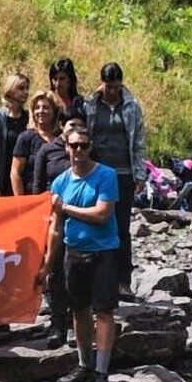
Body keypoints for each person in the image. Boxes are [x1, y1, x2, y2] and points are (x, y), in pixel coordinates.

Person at [36, 126, 119, 382]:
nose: (79, 151)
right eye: (74, 146)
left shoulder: (106, 175)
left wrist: (66, 208)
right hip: (74, 253)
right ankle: (84, 365)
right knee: (79, 310)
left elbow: (102, 214)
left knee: (104, 311)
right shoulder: (60, 182)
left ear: (90, 146)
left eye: (84, 145)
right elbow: (55, 227)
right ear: (67, 148)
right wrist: (47, 264)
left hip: (103, 252)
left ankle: (101, 372)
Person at [84, 62, 146, 297]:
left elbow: (138, 140)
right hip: (97, 172)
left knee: (121, 228)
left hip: (123, 174)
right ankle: (96, 279)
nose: (111, 92)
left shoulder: (131, 106)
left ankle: (123, 280)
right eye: (108, 87)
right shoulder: (91, 105)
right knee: (96, 222)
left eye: (115, 87)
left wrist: (140, 173)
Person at [33, 116, 86, 346]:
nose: (78, 148)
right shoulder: (47, 150)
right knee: (53, 269)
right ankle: (57, 324)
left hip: (81, 219)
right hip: (53, 215)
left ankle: (77, 325)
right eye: (71, 125)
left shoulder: (88, 152)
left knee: (76, 273)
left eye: (79, 126)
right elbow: (37, 185)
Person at [0, 73, 30, 196]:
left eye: (27, 88)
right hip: (2, 181)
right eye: (21, 88)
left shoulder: (29, 118)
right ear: (10, 90)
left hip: (25, 180)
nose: (26, 92)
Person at [10, 91, 61, 196]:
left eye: (46, 107)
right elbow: (15, 173)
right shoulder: (26, 138)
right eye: (37, 107)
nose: (41, 111)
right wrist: (20, 202)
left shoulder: (62, 137)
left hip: (59, 197)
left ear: (54, 111)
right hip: (32, 198)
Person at [49, 57, 85, 124]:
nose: (58, 83)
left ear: (70, 79)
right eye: (55, 79)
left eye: (62, 79)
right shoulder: (48, 100)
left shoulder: (79, 102)